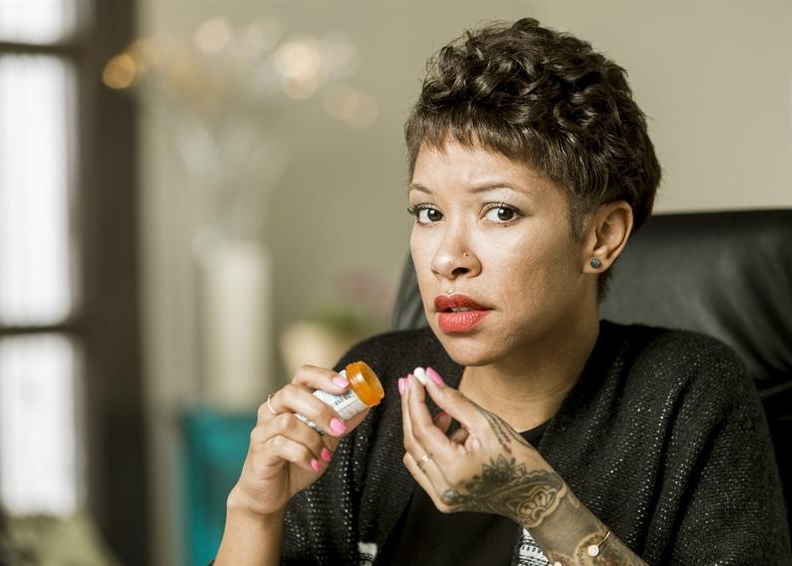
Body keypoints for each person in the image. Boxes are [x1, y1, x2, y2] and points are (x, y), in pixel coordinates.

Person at [214, 18, 791, 565]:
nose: (447, 258)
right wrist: (255, 508)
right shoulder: (374, 384)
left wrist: (539, 503)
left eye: (500, 211)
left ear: (602, 235)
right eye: (429, 212)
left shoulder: (690, 393)